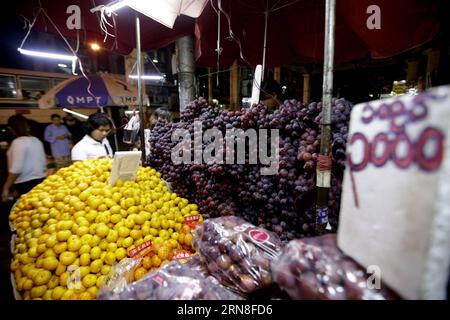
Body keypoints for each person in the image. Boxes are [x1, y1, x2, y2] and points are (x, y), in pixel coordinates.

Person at [2, 115, 47, 202]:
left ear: (11, 128)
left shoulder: (18, 142)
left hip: (25, 184)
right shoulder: (36, 140)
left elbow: (16, 168)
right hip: (41, 181)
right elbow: (43, 162)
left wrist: (6, 187)